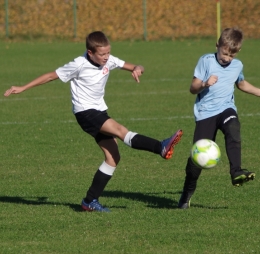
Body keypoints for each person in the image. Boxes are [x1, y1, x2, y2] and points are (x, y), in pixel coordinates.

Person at [4, 31, 183, 212]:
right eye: (102, 54)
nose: (106, 57)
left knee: (113, 158)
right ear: (90, 53)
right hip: (86, 112)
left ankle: (89, 201)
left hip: (99, 111)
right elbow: (51, 75)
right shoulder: (78, 64)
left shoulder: (108, 59)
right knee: (121, 130)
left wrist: (138, 69)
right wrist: (23, 87)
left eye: (108, 53)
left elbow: (136, 66)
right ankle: (160, 147)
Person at [178, 27, 260, 209]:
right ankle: (187, 193)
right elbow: (193, 88)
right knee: (196, 161)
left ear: (237, 53)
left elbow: (241, 84)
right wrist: (205, 84)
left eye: (231, 56)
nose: (227, 58)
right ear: (217, 45)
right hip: (205, 113)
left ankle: (236, 172)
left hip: (226, 108)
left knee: (233, 128)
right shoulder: (205, 61)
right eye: (224, 53)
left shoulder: (237, 66)